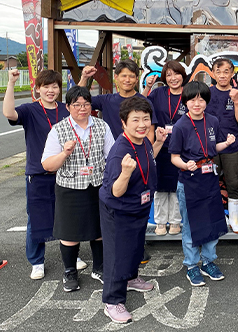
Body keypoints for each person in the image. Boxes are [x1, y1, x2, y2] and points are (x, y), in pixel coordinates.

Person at [3, 68, 79, 280]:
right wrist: (11, 83)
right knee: (36, 218)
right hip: (38, 173)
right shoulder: (29, 110)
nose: (51, 90)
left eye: (55, 86)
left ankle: (72, 256)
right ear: (38, 89)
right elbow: (9, 113)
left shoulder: (66, 109)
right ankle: (37, 261)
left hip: (67, 172)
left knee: (69, 216)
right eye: (46, 86)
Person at [99, 97, 168, 323]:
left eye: (146, 119)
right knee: (117, 254)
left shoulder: (143, 141)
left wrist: (157, 142)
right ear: (123, 122)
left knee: (135, 247)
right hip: (119, 210)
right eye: (135, 119)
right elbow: (116, 191)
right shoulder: (120, 151)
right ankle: (112, 301)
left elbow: (148, 159)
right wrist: (126, 172)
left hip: (139, 206)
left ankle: (131, 278)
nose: (142, 124)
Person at [41, 86, 115, 292]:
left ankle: (99, 268)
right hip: (70, 188)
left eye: (86, 104)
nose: (82, 108)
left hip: (98, 185)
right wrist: (65, 153)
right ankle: (69, 271)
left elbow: (112, 156)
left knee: (99, 230)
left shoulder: (101, 126)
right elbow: (47, 165)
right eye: (77, 105)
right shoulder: (58, 129)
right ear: (68, 107)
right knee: (69, 233)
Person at [169, 81, 236, 287]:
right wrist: (185, 165)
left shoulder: (213, 121)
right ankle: (191, 265)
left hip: (209, 178)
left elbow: (212, 147)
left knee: (213, 220)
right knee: (190, 224)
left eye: (201, 99)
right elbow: (174, 157)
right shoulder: (181, 125)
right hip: (189, 181)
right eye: (192, 99)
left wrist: (226, 144)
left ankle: (209, 262)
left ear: (206, 101)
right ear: (186, 102)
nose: (197, 103)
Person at [146, 61, 188, 236]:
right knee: (160, 186)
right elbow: (141, 104)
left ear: (183, 75)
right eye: (169, 75)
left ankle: (176, 221)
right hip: (160, 145)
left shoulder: (190, 93)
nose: (173, 78)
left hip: (183, 147)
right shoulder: (157, 93)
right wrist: (147, 88)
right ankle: (161, 221)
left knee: (178, 185)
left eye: (176, 74)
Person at [206, 58, 238, 234]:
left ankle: (234, 218)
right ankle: (214, 217)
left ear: (232, 74)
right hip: (209, 146)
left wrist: (237, 101)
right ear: (213, 74)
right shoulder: (206, 92)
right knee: (209, 182)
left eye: (226, 72)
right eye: (218, 71)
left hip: (231, 146)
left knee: (232, 182)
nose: (222, 75)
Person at [79, 59, 157, 140]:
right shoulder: (105, 100)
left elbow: (150, 135)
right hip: (110, 151)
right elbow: (79, 100)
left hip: (136, 150)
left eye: (131, 76)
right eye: (124, 76)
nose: (127, 80)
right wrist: (84, 78)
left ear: (137, 79)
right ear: (116, 77)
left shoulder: (145, 102)